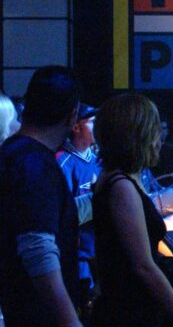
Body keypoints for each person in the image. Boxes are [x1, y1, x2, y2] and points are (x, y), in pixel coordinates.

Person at [92, 93, 173, 326]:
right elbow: (143, 266)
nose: (160, 139)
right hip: (130, 311)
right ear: (139, 136)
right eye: (155, 130)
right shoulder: (121, 186)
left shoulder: (120, 179)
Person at [0, 66, 82, 326]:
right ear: (72, 116)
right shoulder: (35, 163)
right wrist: (70, 321)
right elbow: (37, 249)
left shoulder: (11, 153)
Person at [56, 103, 100, 317]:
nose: (98, 126)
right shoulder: (62, 162)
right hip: (77, 258)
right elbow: (63, 213)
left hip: (100, 255)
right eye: (92, 122)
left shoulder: (101, 160)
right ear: (76, 128)